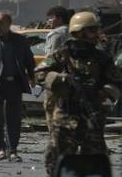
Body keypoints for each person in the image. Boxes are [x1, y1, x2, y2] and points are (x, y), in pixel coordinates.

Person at [35, 11, 122, 176]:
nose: (97, 34)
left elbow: (117, 82)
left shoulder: (102, 57)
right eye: (92, 30)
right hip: (65, 117)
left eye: (97, 30)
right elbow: (40, 73)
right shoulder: (63, 54)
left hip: (92, 116)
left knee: (96, 162)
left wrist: (106, 92)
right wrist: (61, 80)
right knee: (56, 160)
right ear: (79, 31)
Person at [0, 12, 36, 162]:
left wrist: (31, 76)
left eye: (0, 22)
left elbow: (28, 59)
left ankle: (13, 150)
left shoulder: (19, 40)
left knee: (14, 118)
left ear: (8, 23)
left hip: (14, 84)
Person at [42, 5, 72, 132]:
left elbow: (51, 58)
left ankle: (54, 138)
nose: (49, 20)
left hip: (56, 79)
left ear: (59, 19)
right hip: (72, 78)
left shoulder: (55, 34)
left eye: (51, 18)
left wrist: (41, 73)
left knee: (51, 108)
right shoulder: (72, 32)